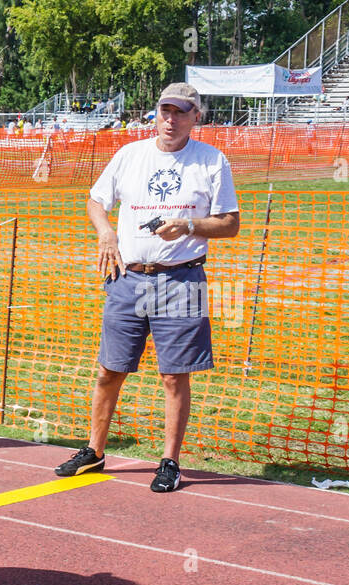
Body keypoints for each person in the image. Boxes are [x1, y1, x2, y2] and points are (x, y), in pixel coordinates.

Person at [54, 82, 239, 492]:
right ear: (156, 113)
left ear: (196, 117)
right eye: (165, 110)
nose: (170, 119)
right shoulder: (130, 154)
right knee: (109, 369)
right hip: (128, 276)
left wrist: (189, 225)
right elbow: (96, 200)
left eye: (181, 112)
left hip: (182, 277)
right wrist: (105, 234)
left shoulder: (211, 161)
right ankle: (94, 451)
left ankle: (170, 461)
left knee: (174, 376)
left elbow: (230, 223)